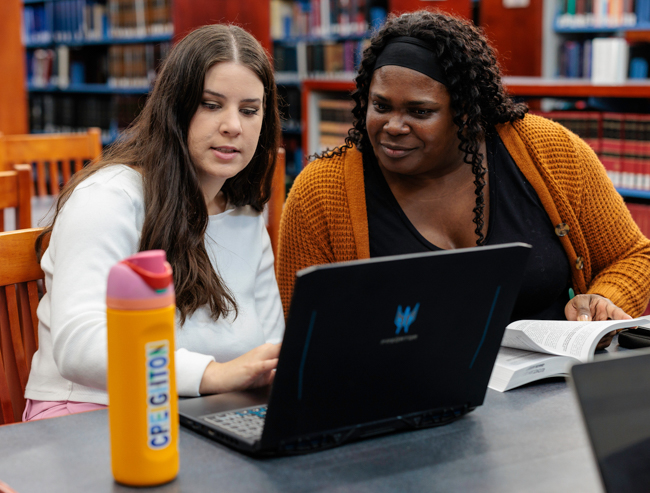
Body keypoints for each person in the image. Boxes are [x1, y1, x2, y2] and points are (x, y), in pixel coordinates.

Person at [276, 10, 650, 336]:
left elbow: (634, 254)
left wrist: (602, 300)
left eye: (420, 112)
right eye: (381, 105)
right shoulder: (323, 191)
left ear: (469, 114)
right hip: (400, 398)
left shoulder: (549, 152)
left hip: (547, 390)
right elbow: (304, 333)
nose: (393, 125)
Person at [23, 24, 284, 421]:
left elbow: (271, 344)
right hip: (94, 411)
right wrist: (212, 374)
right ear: (175, 107)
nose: (234, 125)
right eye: (211, 104)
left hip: (208, 412)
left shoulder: (246, 212)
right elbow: (80, 346)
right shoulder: (109, 197)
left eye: (250, 110)